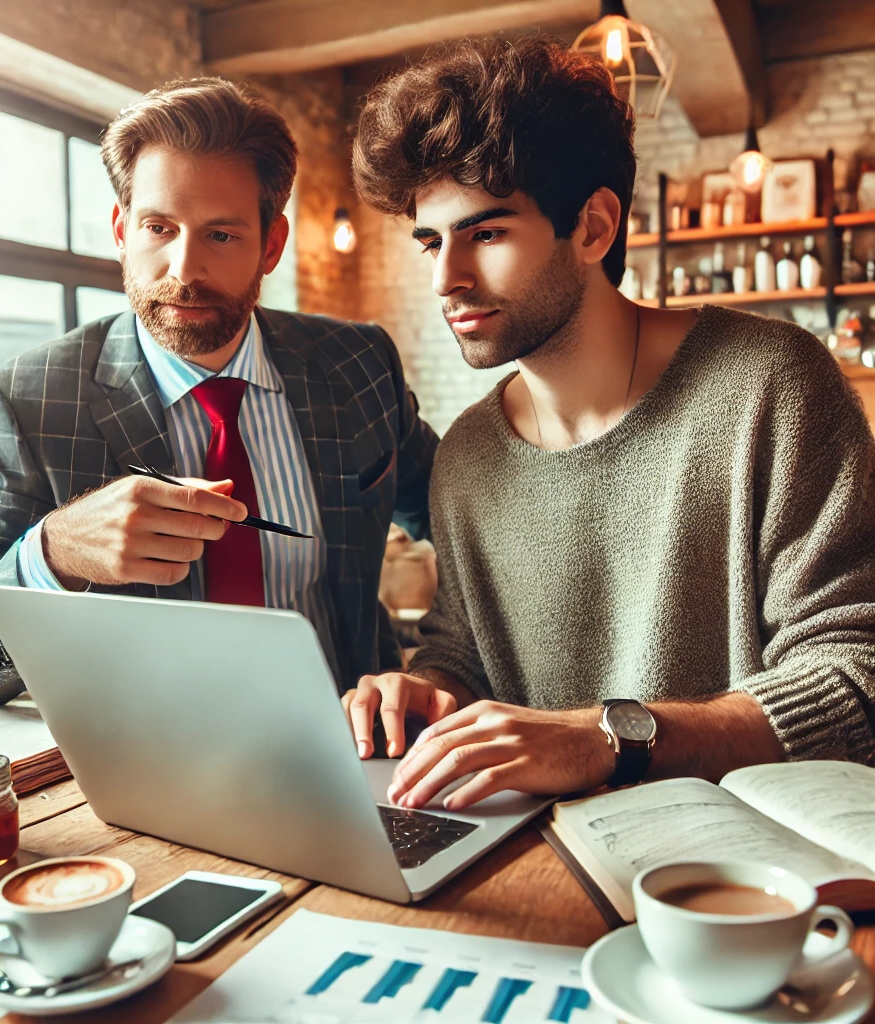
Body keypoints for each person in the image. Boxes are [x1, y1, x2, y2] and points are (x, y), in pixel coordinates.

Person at [344, 36, 875, 811]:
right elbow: (464, 649)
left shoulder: (773, 386)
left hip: (743, 880)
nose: (445, 279)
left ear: (594, 227)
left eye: (485, 233)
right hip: (528, 863)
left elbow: (850, 675)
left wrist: (606, 738)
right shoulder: (467, 456)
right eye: (431, 240)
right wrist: (425, 691)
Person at [0, 78, 437, 707]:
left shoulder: (357, 361)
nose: (184, 270)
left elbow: (458, 515)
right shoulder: (26, 401)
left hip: (360, 752)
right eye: (159, 228)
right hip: (147, 780)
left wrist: (441, 669)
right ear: (120, 230)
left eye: (221, 236)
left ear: (271, 245)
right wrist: (53, 554)